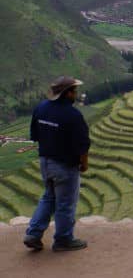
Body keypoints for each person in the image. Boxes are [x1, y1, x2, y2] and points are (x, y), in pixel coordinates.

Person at [23, 76, 91, 252]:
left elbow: (35, 135)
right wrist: (84, 164)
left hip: (45, 162)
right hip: (65, 166)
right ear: (67, 94)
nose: (76, 94)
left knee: (48, 197)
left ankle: (33, 233)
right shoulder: (73, 115)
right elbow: (83, 144)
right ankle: (63, 240)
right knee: (65, 203)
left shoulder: (41, 108)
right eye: (74, 91)